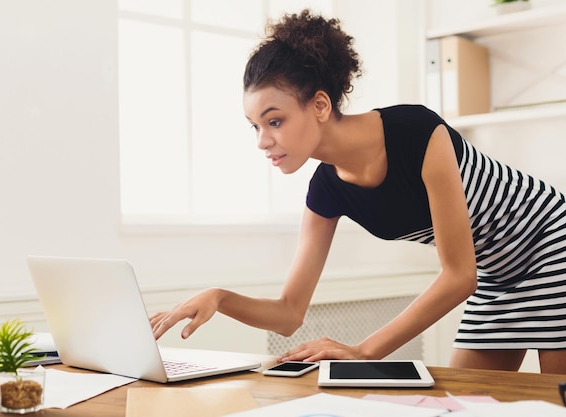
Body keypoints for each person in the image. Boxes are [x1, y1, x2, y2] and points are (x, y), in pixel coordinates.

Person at [150, 9, 566, 374]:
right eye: (255, 125)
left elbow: (459, 275)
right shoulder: (325, 192)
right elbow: (289, 313)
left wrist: (364, 350)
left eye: (274, 121)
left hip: (550, 242)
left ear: (319, 105)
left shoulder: (417, 132)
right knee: (468, 406)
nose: (262, 140)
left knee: (555, 399)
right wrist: (219, 297)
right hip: (496, 275)